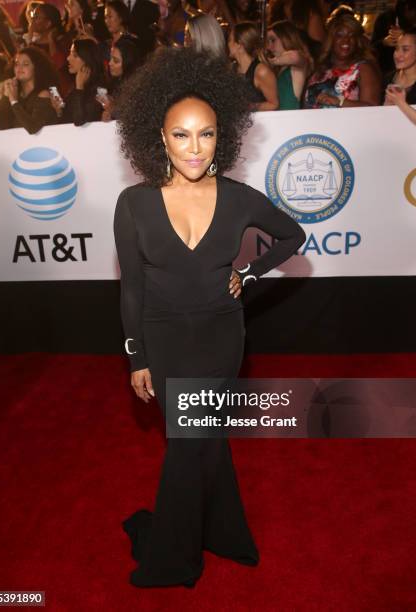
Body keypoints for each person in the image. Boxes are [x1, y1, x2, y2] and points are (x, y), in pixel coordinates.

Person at [113, 46, 306, 588]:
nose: (194, 147)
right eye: (181, 134)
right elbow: (131, 286)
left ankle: (173, 558)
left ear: (222, 137)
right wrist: (136, 356)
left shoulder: (241, 199)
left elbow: (294, 236)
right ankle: (225, 531)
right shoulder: (134, 203)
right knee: (202, 440)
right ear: (160, 138)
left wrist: (249, 275)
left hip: (222, 335)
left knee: (189, 443)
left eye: (207, 133)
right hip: (164, 339)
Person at [303, 13, 381, 109]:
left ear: (357, 41)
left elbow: (373, 108)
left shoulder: (363, 69)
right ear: (331, 40)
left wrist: (339, 101)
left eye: (351, 36)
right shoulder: (319, 68)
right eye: (340, 35)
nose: (346, 40)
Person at [0, 45, 59, 133]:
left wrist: (14, 102)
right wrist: (7, 96)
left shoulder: (44, 93)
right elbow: (1, 125)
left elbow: (33, 127)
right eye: (16, 64)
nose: (19, 68)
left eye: (25, 64)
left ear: (36, 67)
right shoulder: (14, 93)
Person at [53, 37, 107, 125]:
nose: (68, 58)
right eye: (70, 54)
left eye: (75, 55)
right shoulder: (75, 85)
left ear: (87, 59)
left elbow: (79, 121)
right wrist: (59, 111)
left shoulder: (100, 90)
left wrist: (79, 88)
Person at [228, 21, 279, 110]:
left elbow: (274, 104)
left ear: (239, 45)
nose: (228, 44)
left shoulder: (261, 71)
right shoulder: (232, 68)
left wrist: (248, 106)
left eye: (229, 40)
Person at [267, 20, 313, 110]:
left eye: (273, 40)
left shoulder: (297, 63)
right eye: (268, 42)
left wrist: (268, 61)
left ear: (286, 38)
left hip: (291, 121)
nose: (269, 47)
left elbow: (294, 56)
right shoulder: (278, 69)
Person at [101, 36, 142, 120]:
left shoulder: (137, 88)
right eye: (110, 58)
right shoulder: (114, 82)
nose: (110, 63)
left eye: (116, 61)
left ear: (128, 63)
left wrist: (113, 110)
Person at [384, 27, 416, 125]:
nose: (398, 55)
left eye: (405, 49)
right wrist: (387, 104)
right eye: (396, 49)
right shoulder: (388, 78)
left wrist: (401, 103)